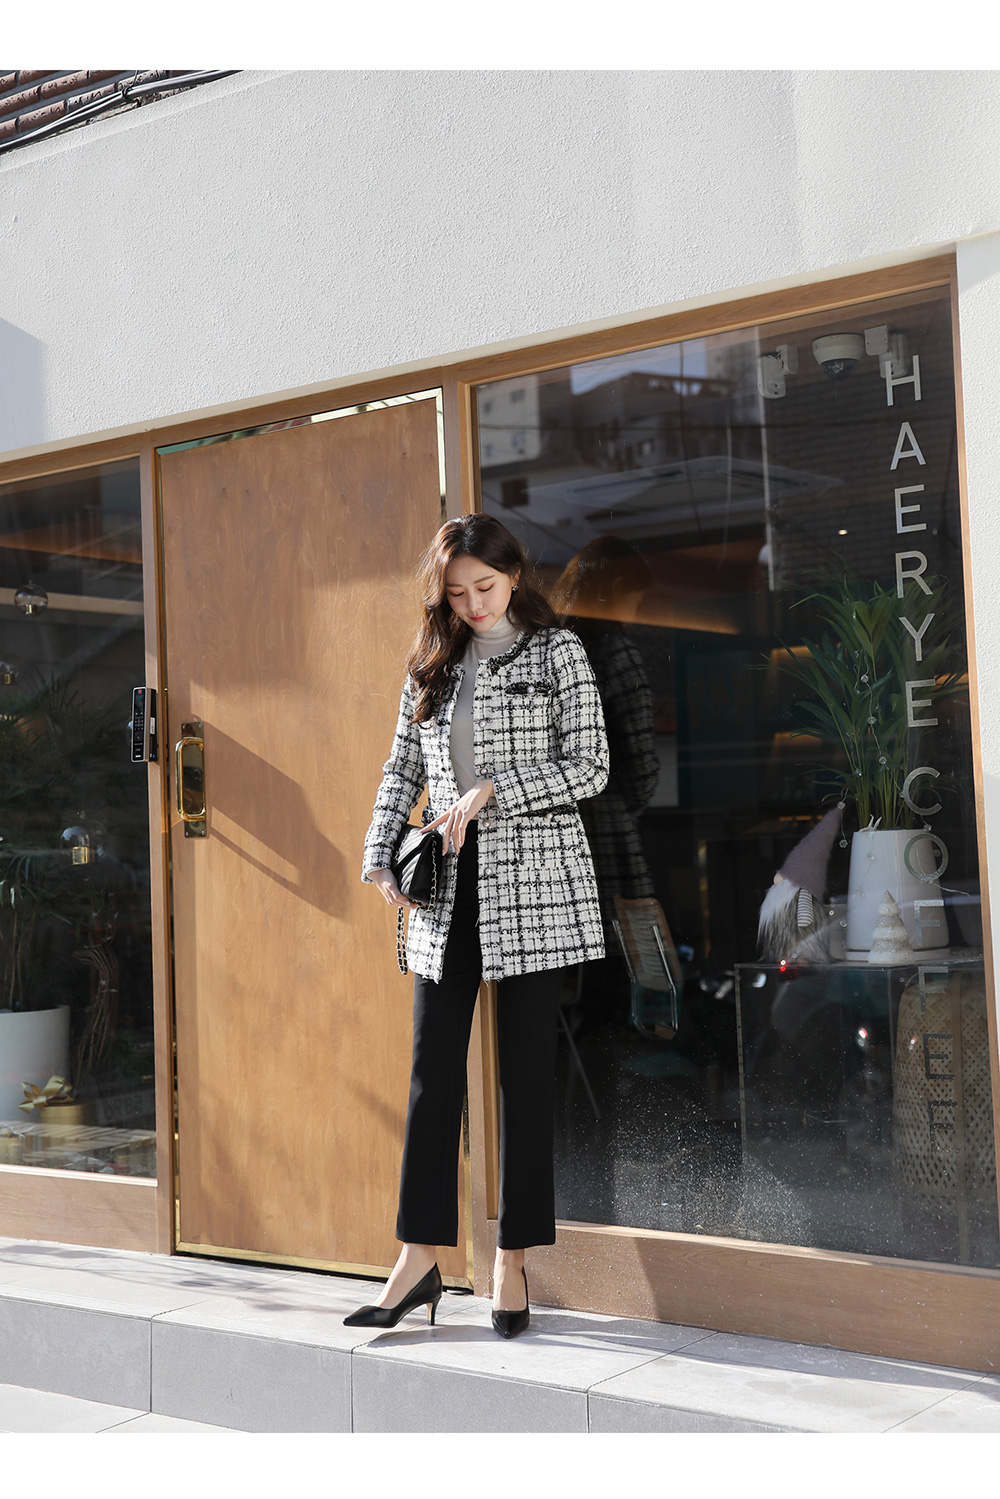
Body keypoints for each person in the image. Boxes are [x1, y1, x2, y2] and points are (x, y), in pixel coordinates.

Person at [344, 513, 609, 1338]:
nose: (473, 604)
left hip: (533, 885)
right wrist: (379, 853)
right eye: (457, 593)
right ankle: (418, 1256)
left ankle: (512, 1259)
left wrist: (496, 787)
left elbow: (592, 766)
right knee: (432, 1075)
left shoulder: (559, 652)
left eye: (485, 587)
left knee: (525, 1076)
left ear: (515, 575)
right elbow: (400, 767)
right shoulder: (431, 662)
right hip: (446, 891)